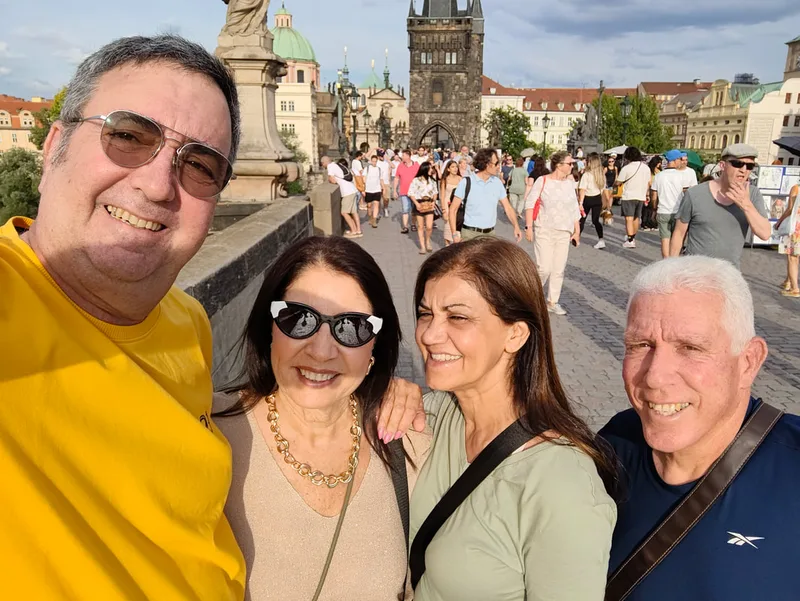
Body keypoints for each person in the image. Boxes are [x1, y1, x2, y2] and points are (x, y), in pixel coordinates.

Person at [0, 34, 248, 600]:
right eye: (129, 136)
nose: (158, 185)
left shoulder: (188, 321)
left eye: (200, 165)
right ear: (54, 147)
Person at [215, 236, 431, 600]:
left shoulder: (409, 443)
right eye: (298, 319)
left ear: (375, 346)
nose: (321, 351)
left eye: (352, 327)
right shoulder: (209, 433)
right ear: (270, 327)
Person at [410, 238, 618, 601]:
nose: (429, 334)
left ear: (515, 334)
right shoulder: (431, 415)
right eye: (426, 313)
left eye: (457, 317)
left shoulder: (562, 486)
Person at [600, 256, 800, 600]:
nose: (655, 377)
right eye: (641, 345)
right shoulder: (612, 447)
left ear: (749, 361)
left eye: (690, 348)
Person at [669, 144, 771, 267]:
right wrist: (671, 268)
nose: (743, 170)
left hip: (729, 273)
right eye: (737, 164)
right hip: (696, 271)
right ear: (722, 165)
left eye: (749, 166)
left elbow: (765, 234)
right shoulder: (695, 194)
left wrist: (746, 205)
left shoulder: (752, 194)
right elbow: (679, 234)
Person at [524, 151, 581, 316]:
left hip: (564, 231)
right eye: (569, 163)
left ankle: (552, 301)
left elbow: (574, 209)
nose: (572, 166)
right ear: (559, 165)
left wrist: (577, 231)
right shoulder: (543, 180)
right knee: (544, 268)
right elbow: (530, 203)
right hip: (545, 229)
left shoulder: (570, 184)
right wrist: (529, 227)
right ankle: (530, 296)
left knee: (558, 269)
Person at [449, 148, 522, 243]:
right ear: (486, 164)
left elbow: (507, 207)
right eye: (496, 163)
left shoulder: (497, 183)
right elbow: (453, 209)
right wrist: (454, 234)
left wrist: (516, 226)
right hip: (470, 235)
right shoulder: (466, 182)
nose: (498, 167)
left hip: (490, 235)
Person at [651, 150, 686, 258]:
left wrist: (654, 209)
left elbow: (654, 196)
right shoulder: (682, 176)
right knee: (677, 239)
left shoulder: (659, 176)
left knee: (665, 239)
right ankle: (674, 261)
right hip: (678, 212)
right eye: (680, 159)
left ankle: (666, 262)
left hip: (663, 211)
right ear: (675, 160)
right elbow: (686, 193)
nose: (682, 162)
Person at [616, 146, 651, 249]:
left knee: (629, 218)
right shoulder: (646, 168)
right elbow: (649, 182)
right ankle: (632, 237)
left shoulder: (626, 168)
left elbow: (618, 182)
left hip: (629, 196)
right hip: (641, 195)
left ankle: (630, 240)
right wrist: (647, 194)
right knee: (636, 218)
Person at [323, 156, 362, 238]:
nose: (322, 166)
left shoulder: (330, 166)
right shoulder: (336, 165)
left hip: (347, 192)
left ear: (324, 163)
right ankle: (358, 230)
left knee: (344, 212)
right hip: (353, 189)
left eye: (322, 164)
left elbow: (333, 180)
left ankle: (354, 231)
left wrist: (330, 179)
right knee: (354, 212)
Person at [408, 162, 439, 254]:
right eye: (430, 168)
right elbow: (411, 193)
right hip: (419, 203)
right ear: (425, 169)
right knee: (420, 226)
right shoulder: (416, 180)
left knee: (429, 226)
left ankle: (427, 241)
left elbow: (435, 192)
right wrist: (416, 203)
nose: (431, 170)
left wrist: (434, 201)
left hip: (429, 203)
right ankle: (422, 246)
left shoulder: (432, 180)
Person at [776, 183, 800, 298]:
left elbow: (790, 209)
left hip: (795, 226)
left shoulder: (796, 188)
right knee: (796, 255)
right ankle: (788, 281)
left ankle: (795, 288)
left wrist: (779, 221)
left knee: (792, 257)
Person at [578, 152, 607, 249]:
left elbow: (582, 189)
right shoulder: (601, 175)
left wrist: (580, 202)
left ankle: (577, 237)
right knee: (595, 220)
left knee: (582, 219)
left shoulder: (586, 175)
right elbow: (603, 189)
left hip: (587, 198)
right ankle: (601, 239)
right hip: (597, 198)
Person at [394, 149, 420, 234]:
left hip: (415, 192)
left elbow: (420, 178)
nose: (402, 157)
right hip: (404, 191)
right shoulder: (400, 166)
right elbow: (397, 178)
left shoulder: (416, 165)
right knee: (405, 209)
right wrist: (394, 190)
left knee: (414, 210)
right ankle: (405, 227)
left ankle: (413, 224)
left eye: (403, 155)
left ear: (408, 156)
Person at [439, 159, 463, 246]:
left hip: (458, 205)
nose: (455, 169)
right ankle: (447, 247)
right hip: (447, 204)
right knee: (448, 229)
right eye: (453, 167)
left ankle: (457, 247)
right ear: (448, 169)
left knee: (458, 228)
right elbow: (442, 197)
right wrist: (444, 211)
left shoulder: (460, 179)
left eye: (456, 167)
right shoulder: (445, 180)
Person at [641, 156, 662, 231]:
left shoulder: (659, 171)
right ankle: (645, 223)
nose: (660, 164)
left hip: (657, 190)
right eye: (659, 163)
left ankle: (653, 222)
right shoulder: (649, 171)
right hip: (649, 189)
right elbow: (648, 181)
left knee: (655, 207)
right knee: (647, 208)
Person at [364, 154, 384, 228]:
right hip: (368, 189)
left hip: (377, 189)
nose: (374, 163)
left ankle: (374, 220)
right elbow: (364, 177)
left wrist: (383, 188)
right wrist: (364, 187)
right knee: (369, 206)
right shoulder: (367, 168)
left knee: (376, 204)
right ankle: (370, 217)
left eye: (375, 161)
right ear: (371, 161)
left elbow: (381, 179)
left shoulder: (379, 169)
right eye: (373, 161)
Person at [377, 148, 392, 218]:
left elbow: (393, 166)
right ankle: (378, 211)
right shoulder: (376, 162)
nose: (382, 157)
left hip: (386, 182)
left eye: (382, 155)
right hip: (378, 183)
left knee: (386, 198)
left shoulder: (387, 163)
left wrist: (387, 159)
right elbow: (367, 156)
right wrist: (374, 148)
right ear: (378, 156)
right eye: (380, 155)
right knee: (378, 198)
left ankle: (385, 208)